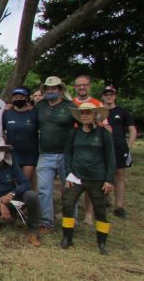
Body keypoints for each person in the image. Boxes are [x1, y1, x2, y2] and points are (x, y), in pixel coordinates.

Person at [61, 103, 115, 255]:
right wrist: (69, 173)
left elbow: (111, 157)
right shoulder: (74, 132)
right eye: (82, 113)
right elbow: (68, 154)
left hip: (97, 178)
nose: (85, 115)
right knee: (68, 204)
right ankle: (67, 238)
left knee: (100, 210)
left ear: (94, 114)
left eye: (88, 113)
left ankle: (102, 243)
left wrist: (109, 179)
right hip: (77, 177)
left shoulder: (104, 133)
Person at [0, 137, 41, 247]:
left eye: (0, 149)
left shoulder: (11, 163)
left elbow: (26, 183)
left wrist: (12, 194)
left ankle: (33, 231)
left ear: (5, 151)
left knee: (32, 195)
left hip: (11, 200)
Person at [35, 76, 75, 234]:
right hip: (45, 154)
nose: (51, 91)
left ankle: (71, 220)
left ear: (60, 90)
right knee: (44, 189)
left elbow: (86, 121)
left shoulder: (70, 106)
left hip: (67, 155)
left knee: (70, 190)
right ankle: (47, 222)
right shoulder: (40, 106)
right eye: (48, 89)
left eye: (54, 88)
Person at [72, 75, 104, 225]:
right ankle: (72, 212)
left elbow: (104, 125)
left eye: (84, 84)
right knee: (73, 181)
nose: (82, 87)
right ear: (75, 87)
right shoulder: (70, 104)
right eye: (79, 85)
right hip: (74, 145)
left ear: (89, 86)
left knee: (90, 182)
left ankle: (89, 214)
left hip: (93, 147)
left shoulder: (97, 104)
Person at [102, 86, 136, 218]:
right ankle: (106, 198)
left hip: (119, 147)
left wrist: (129, 145)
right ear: (103, 96)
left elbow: (132, 129)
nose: (109, 96)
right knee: (103, 174)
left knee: (119, 175)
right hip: (103, 147)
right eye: (106, 94)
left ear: (115, 96)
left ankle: (119, 206)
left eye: (111, 94)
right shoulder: (99, 112)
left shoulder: (122, 112)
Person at [2, 87, 39, 190]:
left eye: (21, 97)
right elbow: (1, 130)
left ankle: (28, 205)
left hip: (29, 154)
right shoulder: (7, 113)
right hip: (12, 153)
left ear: (26, 98)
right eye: (16, 97)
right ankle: (14, 205)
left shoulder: (34, 113)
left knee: (25, 184)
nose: (18, 99)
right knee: (13, 184)